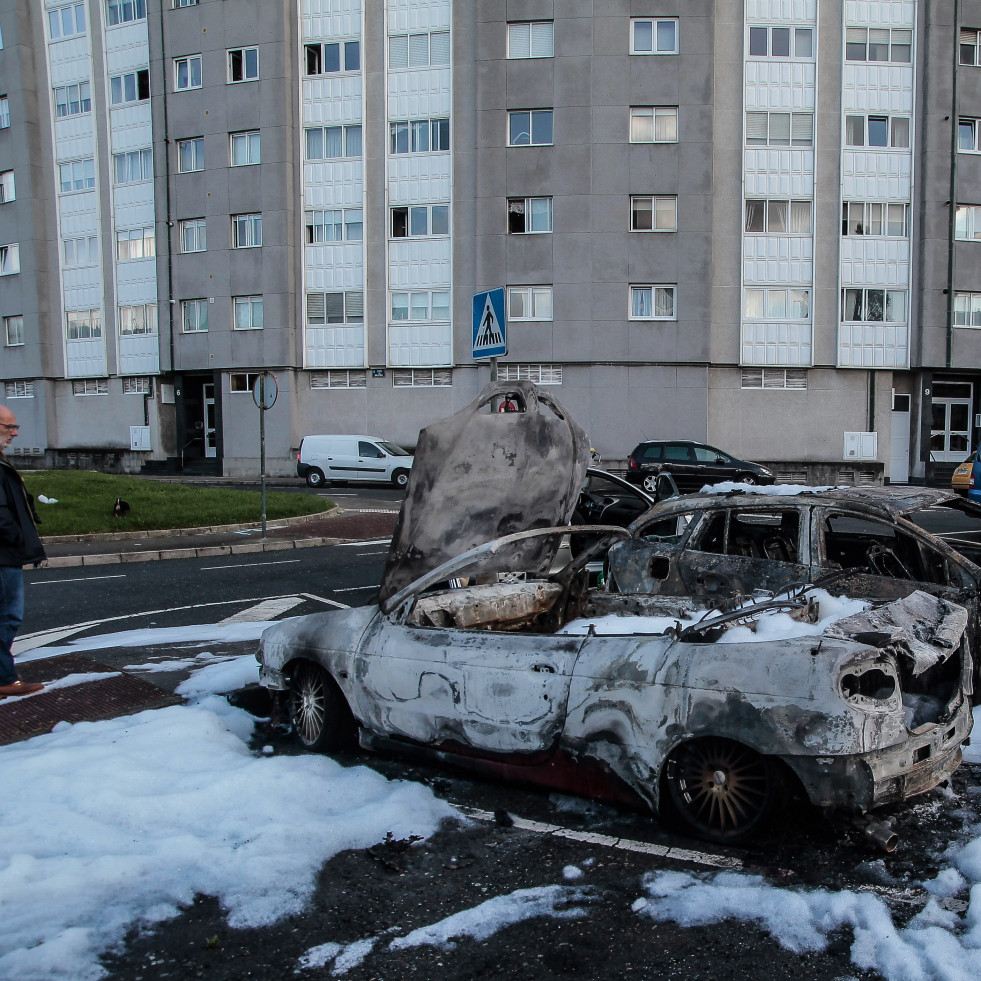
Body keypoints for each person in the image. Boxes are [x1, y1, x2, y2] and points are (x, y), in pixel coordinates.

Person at [0, 404, 45, 698]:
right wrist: (18, 539)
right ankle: (5, 678)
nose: (15, 432)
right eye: (8, 427)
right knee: (7, 616)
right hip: (3, 556)